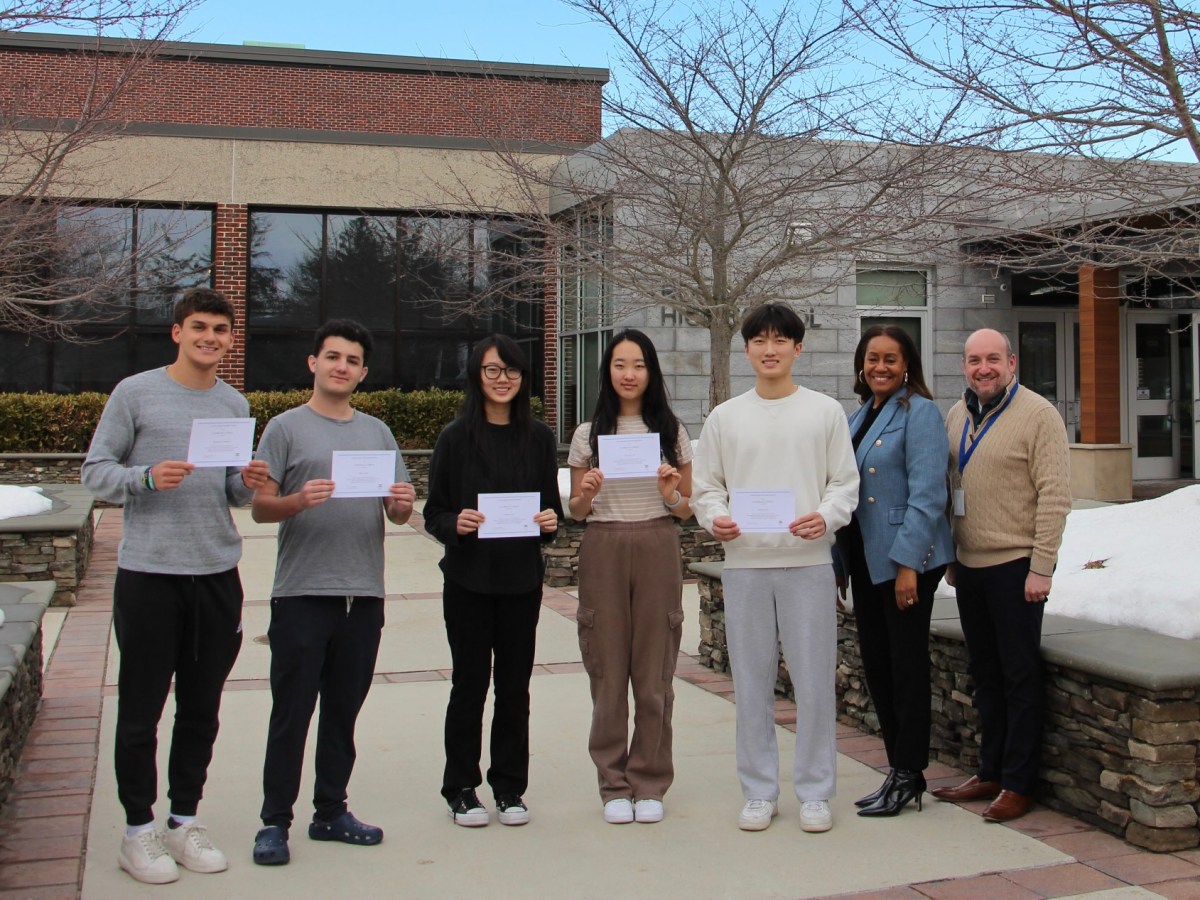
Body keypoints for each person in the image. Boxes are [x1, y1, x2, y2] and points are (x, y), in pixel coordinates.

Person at [81, 287, 270, 885]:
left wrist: (247, 481)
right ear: (177, 332)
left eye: (220, 329)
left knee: (201, 710)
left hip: (215, 574)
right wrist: (145, 477)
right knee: (141, 712)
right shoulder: (135, 393)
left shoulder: (235, 403)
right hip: (150, 575)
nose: (210, 337)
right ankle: (138, 831)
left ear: (230, 339)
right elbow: (95, 473)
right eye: (199, 327)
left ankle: (184, 819)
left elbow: (230, 493)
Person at [249, 319, 415, 865]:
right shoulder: (285, 428)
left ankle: (331, 811)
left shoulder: (378, 433)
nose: (341, 367)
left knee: (343, 713)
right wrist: (297, 501)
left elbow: (396, 512)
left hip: (362, 595)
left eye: (352, 360)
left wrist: (402, 503)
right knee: (291, 713)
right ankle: (274, 822)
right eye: (333, 357)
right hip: (302, 592)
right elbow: (260, 507)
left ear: (363, 373)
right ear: (313, 363)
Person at [692, 303, 859, 834]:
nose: (770, 349)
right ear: (746, 350)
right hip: (745, 567)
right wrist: (716, 518)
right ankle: (759, 791)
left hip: (808, 565)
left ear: (797, 348)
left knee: (814, 683)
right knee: (751, 683)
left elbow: (844, 483)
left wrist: (825, 517)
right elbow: (706, 487)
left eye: (780, 340)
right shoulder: (725, 418)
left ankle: (815, 791)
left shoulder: (825, 412)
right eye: (760, 340)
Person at [931, 328, 1071, 823]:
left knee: (1019, 677)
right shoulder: (957, 414)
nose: (983, 368)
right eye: (974, 360)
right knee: (985, 676)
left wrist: (1042, 567)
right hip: (970, 568)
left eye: (993, 359)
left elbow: (1055, 496)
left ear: (1012, 363)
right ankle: (990, 770)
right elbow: (951, 486)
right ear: (964, 366)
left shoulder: (1039, 415)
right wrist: (952, 556)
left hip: (1016, 569)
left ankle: (1018, 783)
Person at [424, 334, 563, 828]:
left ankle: (509, 787)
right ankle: (461, 787)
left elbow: (551, 511)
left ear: (523, 377)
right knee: (469, 685)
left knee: (514, 688)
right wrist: (455, 524)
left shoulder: (539, 438)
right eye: (492, 370)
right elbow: (434, 512)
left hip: (520, 583)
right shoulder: (455, 437)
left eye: (511, 371)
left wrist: (549, 523)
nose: (502, 380)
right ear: (476, 376)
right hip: (468, 582)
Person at [568, 329, 693, 826]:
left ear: (651, 371)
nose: (629, 374)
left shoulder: (670, 430)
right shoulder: (588, 433)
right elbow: (577, 511)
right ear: (608, 372)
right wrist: (587, 492)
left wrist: (669, 493)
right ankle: (613, 783)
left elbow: (687, 510)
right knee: (607, 667)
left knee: (654, 670)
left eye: (638, 364)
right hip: (604, 545)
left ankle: (649, 779)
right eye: (620, 364)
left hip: (657, 542)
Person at [833, 326, 955, 817]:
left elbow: (928, 495)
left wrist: (908, 565)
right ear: (861, 364)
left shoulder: (920, 413)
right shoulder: (860, 415)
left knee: (905, 669)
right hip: (866, 559)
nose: (880, 367)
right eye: (872, 358)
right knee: (878, 666)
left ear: (907, 366)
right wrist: (840, 564)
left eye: (891, 359)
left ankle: (909, 772)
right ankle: (898, 770)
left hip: (906, 561)